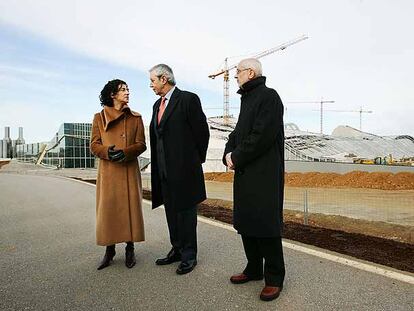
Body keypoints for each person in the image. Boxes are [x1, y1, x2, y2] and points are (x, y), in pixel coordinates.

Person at [223, 58, 285, 301]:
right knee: (247, 222)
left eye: (238, 71)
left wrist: (236, 157)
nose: (235, 76)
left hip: (263, 174)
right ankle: (253, 268)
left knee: (265, 225)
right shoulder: (246, 99)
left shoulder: (269, 96)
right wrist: (228, 153)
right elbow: (238, 133)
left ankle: (274, 277)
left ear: (250, 72)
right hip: (246, 172)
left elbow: (262, 135)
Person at [149, 64, 209, 275]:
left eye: (153, 81)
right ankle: (177, 248)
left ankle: (189, 255)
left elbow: (202, 133)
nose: (151, 85)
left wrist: (194, 162)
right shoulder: (157, 105)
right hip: (164, 172)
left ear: (164, 79)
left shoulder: (188, 99)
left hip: (185, 171)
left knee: (186, 215)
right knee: (171, 213)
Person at [90, 79, 146, 270]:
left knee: (130, 209)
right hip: (109, 172)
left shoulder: (136, 118)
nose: (127, 92)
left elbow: (141, 144)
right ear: (112, 95)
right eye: (123, 90)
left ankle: (130, 249)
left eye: (128, 89)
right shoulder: (99, 117)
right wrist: (107, 152)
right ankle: (109, 250)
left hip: (129, 170)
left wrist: (127, 152)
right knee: (109, 210)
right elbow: (94, 145)